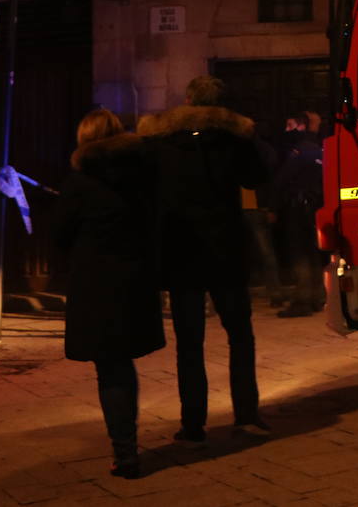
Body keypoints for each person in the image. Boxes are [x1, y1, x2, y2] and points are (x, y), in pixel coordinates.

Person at [137, 76, 271, 444]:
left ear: (187, 99)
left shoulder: (161, 143)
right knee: (240, 336)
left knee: (189, 342)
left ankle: (193, 422)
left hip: (181, 252)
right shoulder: (232, 140)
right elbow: (258, 176)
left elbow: (144, 186)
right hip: (224, 249)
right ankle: (245, 414)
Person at [53, 108, 164, 479]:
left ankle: (125, 452)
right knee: (123, 364)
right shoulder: (144, 176)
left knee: (110, 367)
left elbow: (59, 235)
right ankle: (127, 448)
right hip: (134, 280)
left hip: (97, 285)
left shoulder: (79, 183)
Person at [273, 112, 325, 318]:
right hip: (315, 206)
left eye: (290, 125)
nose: (287, 130)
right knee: (314, 252)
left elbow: (282, 179)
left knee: (300, 253)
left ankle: (302, 299)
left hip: (299, 207)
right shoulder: (319, 149)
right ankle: (317, 296)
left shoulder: (299, 151)